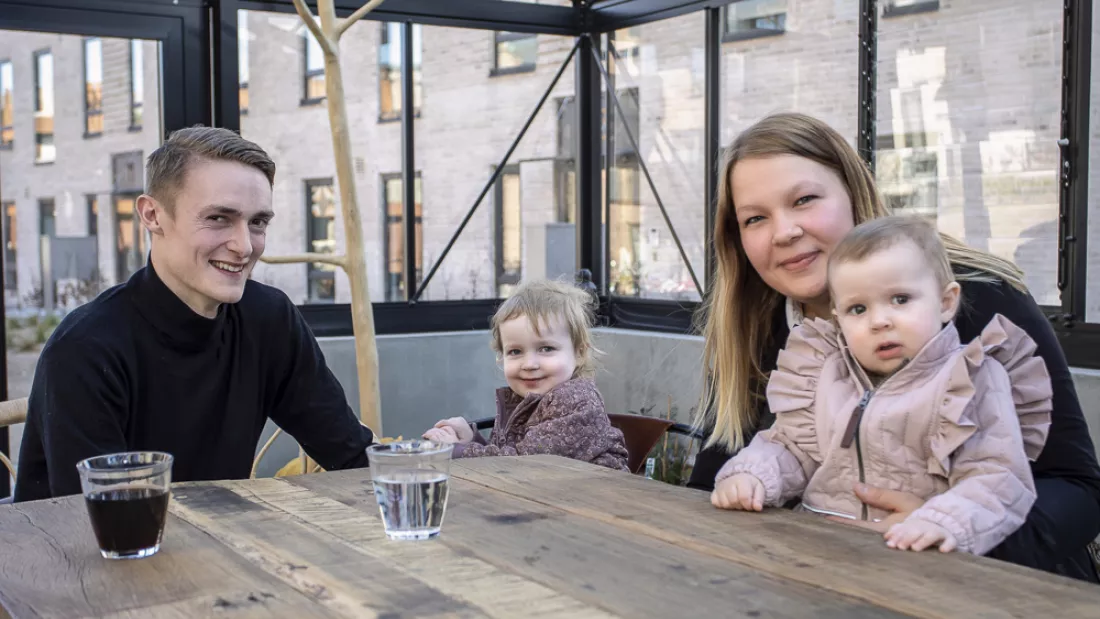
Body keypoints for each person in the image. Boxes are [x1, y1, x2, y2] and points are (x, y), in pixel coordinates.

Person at [690, 112, 1100, 580]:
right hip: (834, 577)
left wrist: (949, 531)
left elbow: (1077, 489)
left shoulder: (980, 301)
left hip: (1002, 585)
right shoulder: (755, 327)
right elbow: (719, 469)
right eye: (755, 218)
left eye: (804, 200)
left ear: (852, 192)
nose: (783, 231)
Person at [14, 126, 373, 502]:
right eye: (218, 218)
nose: (244, 245)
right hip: (75, 555)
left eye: (258, 222)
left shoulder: (268, 319)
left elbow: (351, 456)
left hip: (213, 547)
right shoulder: (86, 349)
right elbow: (103, 528)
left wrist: (429, 456)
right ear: (152, 215)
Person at [711, 216, 1051, 555]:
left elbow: (996, 476)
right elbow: (791, 449)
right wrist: (753, 475)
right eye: (858, 309)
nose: (879, 321)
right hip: (818, 549)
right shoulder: (827, 374)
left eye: (900, 299)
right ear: (838, 318)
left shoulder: (969, 379)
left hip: (916, 553)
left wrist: (944, 521)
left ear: (946, 302)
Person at [422, 279, 629, 471]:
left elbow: (525, 464)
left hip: (601, 503)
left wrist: (455, 450)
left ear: (580, 353)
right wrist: (471, 440)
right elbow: (507, 457)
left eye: (546, 349)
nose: (529, 364)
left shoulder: (576, 400)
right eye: (515, 352)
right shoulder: (525, 400)